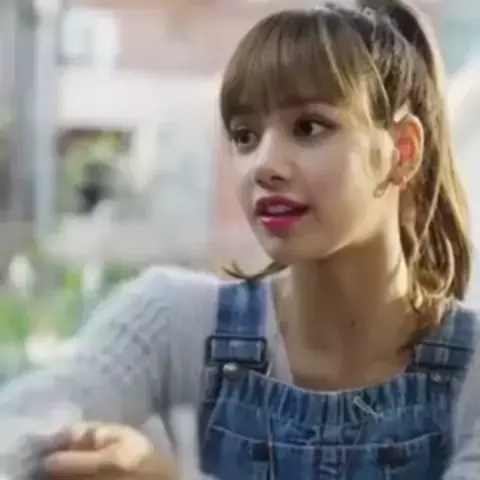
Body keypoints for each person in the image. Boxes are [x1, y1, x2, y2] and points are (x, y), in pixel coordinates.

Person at [0, 1, 477, 478]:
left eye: (309, 127)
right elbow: (21, 425)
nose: (263, 165)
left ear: (403, 151)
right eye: (245, 136)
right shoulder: (173, 322)